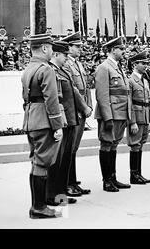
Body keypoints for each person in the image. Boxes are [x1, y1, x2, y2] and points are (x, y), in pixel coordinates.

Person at [21, 34, 64, 219]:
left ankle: (37, 205)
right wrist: (57, 126)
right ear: (45, 48)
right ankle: (39, 207)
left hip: (31, 119)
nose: (53, 51)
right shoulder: (46, 70)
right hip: (45, 120)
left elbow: (25, 98)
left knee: (36, 161)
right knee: (43, 162)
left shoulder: (28, 69)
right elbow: (52, 100)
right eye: (51, 47)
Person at [46, 41, 92, 206]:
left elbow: (74, 91)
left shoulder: (62, 70)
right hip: (62, 121)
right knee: (57, 161)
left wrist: (84, 108)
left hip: (71, 119)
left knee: (65, 159)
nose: (67, 58)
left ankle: (61, 193)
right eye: (64, 55)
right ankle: (53, 195)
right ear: (56, 54)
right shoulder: (50, 70)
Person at [94, 37, 131, 192]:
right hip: (111, 113)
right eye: (121, 49)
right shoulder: (104, 67)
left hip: (120, 113)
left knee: (114, 144)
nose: (123, 52)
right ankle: (106, 180)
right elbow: (102, 94)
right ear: (113, 50)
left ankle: (113, 178)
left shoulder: (117, 67)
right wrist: (107, 116)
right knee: (106, 144)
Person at [61, 32, 92, 197]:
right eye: (77, 46)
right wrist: (84, 107)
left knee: (74, 148)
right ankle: (68, 183)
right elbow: (72, 90)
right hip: (74, 109)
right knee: (70, 148)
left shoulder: (78, 64)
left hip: (81, 109)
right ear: (69, 47)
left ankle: (72, 181)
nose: (80, 49)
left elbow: (85, 88)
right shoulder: (66, 64)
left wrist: (89, 106)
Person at [127, 52, 150, 184]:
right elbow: (129, 102)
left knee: (141, 145)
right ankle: (134, 175)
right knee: (135, 145)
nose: (145, 66)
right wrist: (132, 122)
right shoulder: (130, 81)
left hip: (144, 117)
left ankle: (139, 173)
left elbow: (149, 101)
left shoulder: (144, 80)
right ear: (135, 64)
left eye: (146, 63)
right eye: (142, 63)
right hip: (136, 118)